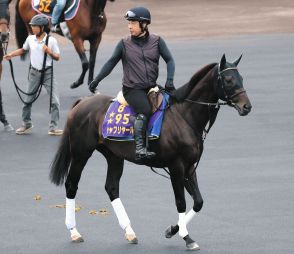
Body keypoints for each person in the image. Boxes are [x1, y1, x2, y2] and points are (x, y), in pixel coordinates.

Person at [89, 6, 175, 161]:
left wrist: (169, 81)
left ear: (144, 24)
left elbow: (170, 60)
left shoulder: (157, 41)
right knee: (145, 110)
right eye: (129, 23)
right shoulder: (123, 44)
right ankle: (140, 148)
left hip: (151, 87)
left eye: (133, 23)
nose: (129, 26)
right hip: (132, 89)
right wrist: (96, 80)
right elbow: (110, 63)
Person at [4, 14, 63, 136]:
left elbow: (57, 57)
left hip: (48, 73)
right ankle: (26, 124)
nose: (32, 28)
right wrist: (11, 55)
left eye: (35, 26)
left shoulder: (51, 40)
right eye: (32, 26)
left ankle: (53, 127)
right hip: (34, 73)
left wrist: (49, 52)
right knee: (27, 100)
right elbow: (23, 50)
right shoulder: (30, 39)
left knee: (55, 101)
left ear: (42, 27)